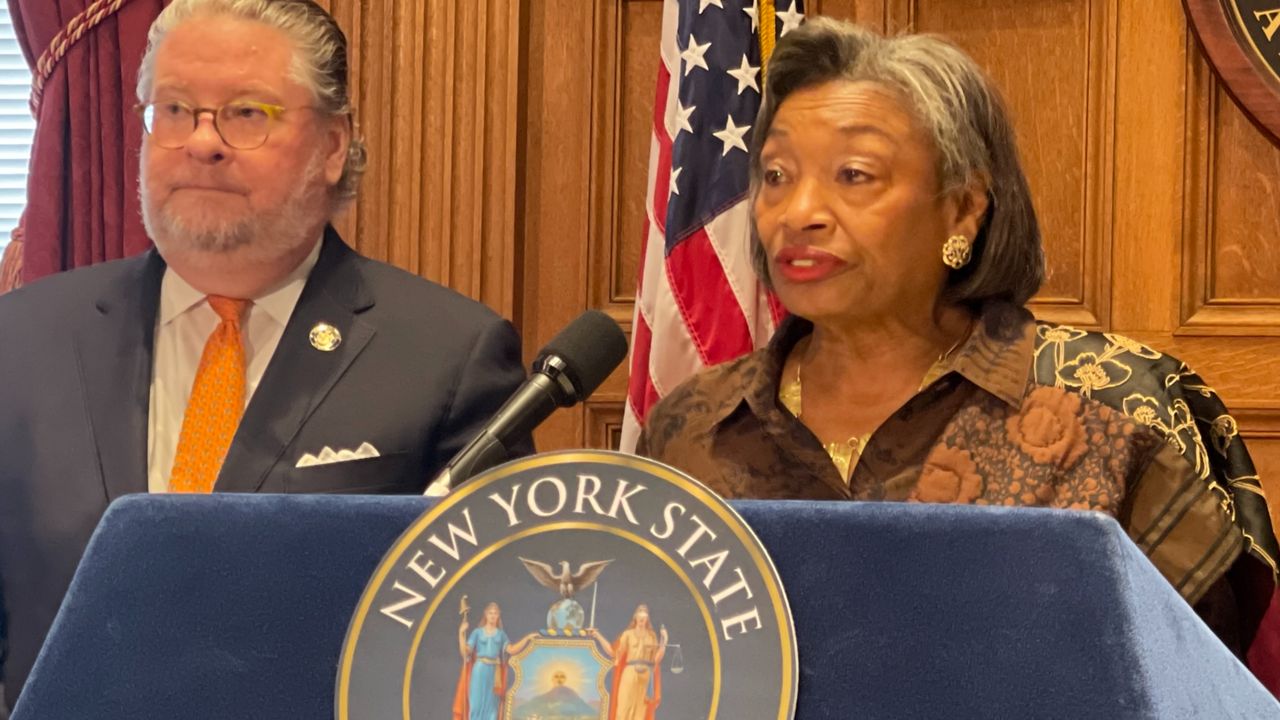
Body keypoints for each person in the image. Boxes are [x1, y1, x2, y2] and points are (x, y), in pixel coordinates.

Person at [637, 18, 1278, 662]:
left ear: (964, 207)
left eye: (854, 175)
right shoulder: (693, 425)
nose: (799, 211)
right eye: (776, 175)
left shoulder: (1117, 405)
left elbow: (1214, 685)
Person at [0, 0, 531, 710]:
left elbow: (477, 640)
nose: (203, 142)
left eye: (247, 114)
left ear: (333, 145)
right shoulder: (22, 340)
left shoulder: (448, 357)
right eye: (176, 110)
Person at [452, 602, 535, 720]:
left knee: (492, 707)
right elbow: (465, 652)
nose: (492, 615)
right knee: (476, 705)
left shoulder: (501, 635)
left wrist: (527, 638)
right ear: (485, 615)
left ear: (498, 616)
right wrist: (461, 633)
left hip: (494, 673)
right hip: (479, 670)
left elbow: (511, 650)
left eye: (495, 613)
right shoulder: (477, 632)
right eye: (490, 613)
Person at [589, 604, 668, 720]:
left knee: (640, 713)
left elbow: (656, 659)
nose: (642, 618)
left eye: (644, 615)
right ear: (635, 617)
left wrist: (664, 641)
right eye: (639, 614)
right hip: (629, 674)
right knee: (623, 709)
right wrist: (597, 635)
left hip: (645, 677)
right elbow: (613, 652)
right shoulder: (628, 635)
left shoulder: (651, 636)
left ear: (647, 619)